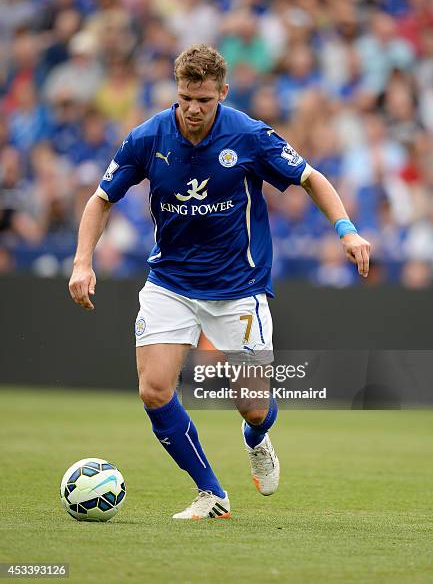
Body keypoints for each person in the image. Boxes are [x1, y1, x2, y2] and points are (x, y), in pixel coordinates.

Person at [69, 44, 371, 520]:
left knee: (252, 405)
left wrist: (347, 231)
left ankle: (256, 437)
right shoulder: (148, 138)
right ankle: (212, 494)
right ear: (177, 91)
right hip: (170, 281)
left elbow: (312, 178)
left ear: (222, 94)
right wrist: (83, 262)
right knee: (154, 390)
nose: (193, 108)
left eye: (204, 100)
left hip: (238, 288)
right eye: (186, 97)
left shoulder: (250, 136)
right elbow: (100, 199)